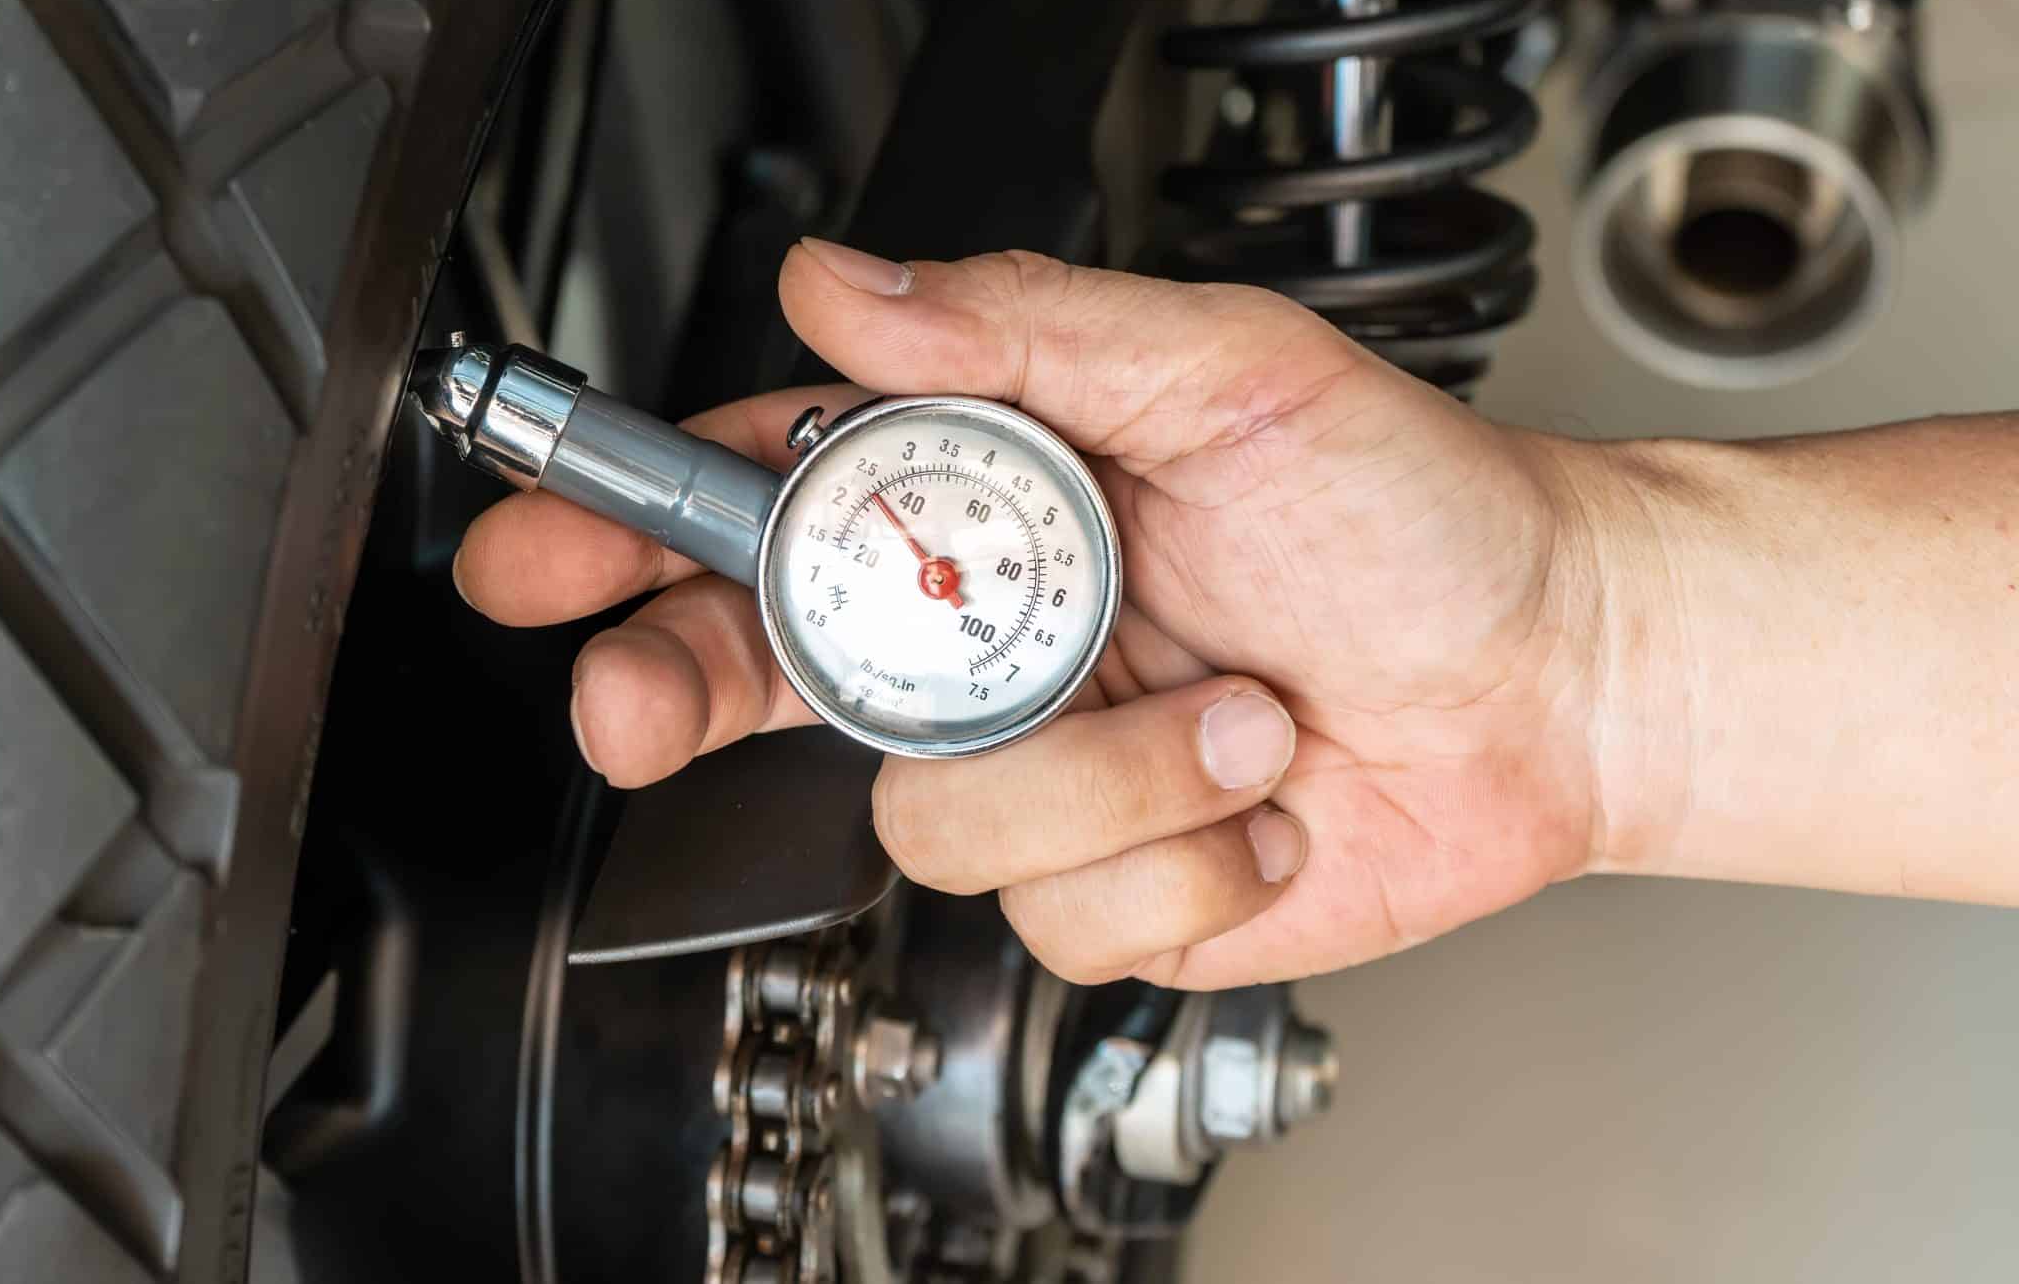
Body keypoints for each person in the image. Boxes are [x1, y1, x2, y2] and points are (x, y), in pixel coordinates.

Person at [450, 240, 2019, 989]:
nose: (942, 577)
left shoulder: (934, 586)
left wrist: (1588, 666)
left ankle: (491, 404)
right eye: (940, 573)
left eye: (944, 574)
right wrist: (1575, 642)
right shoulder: (901, 563)